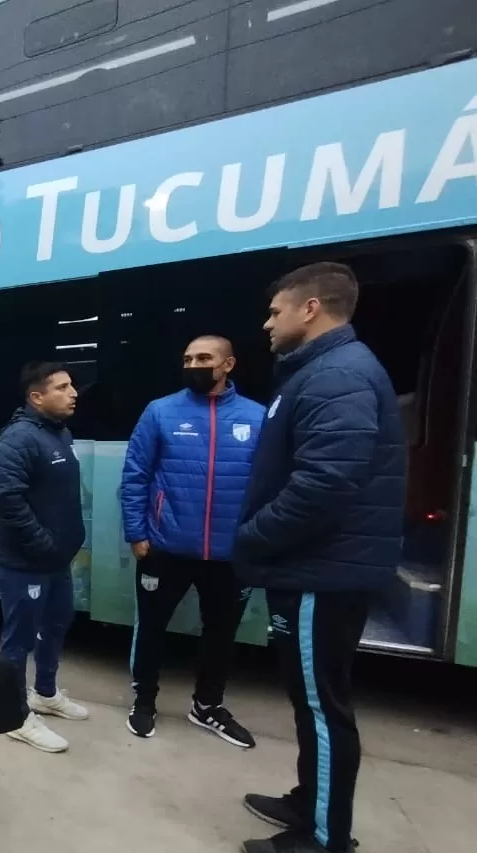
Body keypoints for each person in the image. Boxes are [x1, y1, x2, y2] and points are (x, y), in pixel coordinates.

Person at [234, 262, 406, 853]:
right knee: (310, 699)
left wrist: (252, 536)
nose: (267, 322)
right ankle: (308, 801)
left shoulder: (337, 377)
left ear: (311, 309)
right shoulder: (321, 372)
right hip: (315, 567)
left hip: (319, 572)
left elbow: (325, 485)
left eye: (276, 310)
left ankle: (326, 839)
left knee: (322, 706)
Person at [120, 335, 264, 747]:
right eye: (187, 358)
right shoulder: (161, 411)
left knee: (221, 634)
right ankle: (144, 701)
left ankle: (207, 706)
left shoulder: (256, 417)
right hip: (165, 548)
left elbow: (266, 486)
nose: (194, 364)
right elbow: (135, 475)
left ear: (229, 364)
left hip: (229, 554)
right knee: (151, 629)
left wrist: (254, 539)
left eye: (204, 358)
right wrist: (137, 532)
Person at [0, 361, 90, 753]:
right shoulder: (19, 439)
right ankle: (14, 714)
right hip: (23, 560)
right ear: (37, 397)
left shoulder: (60, 433)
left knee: (58, 623)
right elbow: (7, 500)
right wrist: (44, 543)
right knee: (20, 637)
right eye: (62, 387)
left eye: (71, 385)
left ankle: (45, 693)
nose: (73, 392)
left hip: (54, 558)